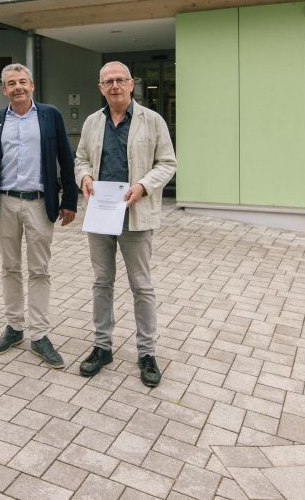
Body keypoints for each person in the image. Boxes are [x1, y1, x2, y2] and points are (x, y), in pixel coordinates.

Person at [0, 63, 79, 368]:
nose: (18, 87)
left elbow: (66, 160)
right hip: (5, 204)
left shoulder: (49, 115)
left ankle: (40, 335)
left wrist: (70, 199)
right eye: (11, 83)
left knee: (39, 270)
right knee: (10, 267)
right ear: (4, 89)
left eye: (23, 82)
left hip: (40, 204)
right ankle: (15, 328)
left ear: (31, 86)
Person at [74, 61, 176, 388]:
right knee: (102, 282)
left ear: (132, 84)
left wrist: (143, 185)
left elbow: (167, 163)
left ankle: (147, 353)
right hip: (101, 213)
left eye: (120, 80)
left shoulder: (152, 120)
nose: (115, 86)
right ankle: (102, 347)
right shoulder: (93, 122)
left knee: (142, 286)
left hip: (136, 214)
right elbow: (82, 159)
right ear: (100, 88)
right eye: (108, 82)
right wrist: (85, 177)